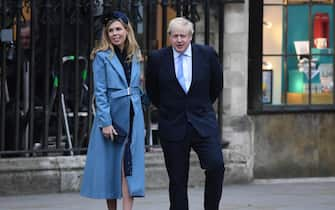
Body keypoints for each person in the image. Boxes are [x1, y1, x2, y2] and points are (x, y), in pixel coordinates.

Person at [146, 17, 225, 210]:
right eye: (175, 36)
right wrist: (170, 108)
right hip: (173, 125)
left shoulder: (207, 55)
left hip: (202, 123)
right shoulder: (157, 59)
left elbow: (216, 86)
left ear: (191, 36)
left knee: (216, 166)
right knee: (178, 180)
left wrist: (200, 107)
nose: (179, 40)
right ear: (169, 37)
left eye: (183, 36)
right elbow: (152, 91)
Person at [80, 11, 145, 210]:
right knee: (111, 167)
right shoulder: (101, 57)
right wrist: (105, 122)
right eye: (110, 30)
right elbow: (99, 92)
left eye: (118, 29)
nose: (115, 33)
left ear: (127, 30)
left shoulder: (135, 54)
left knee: (129, 169)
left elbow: (138, 86)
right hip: (112, 117)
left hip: (133, 115)